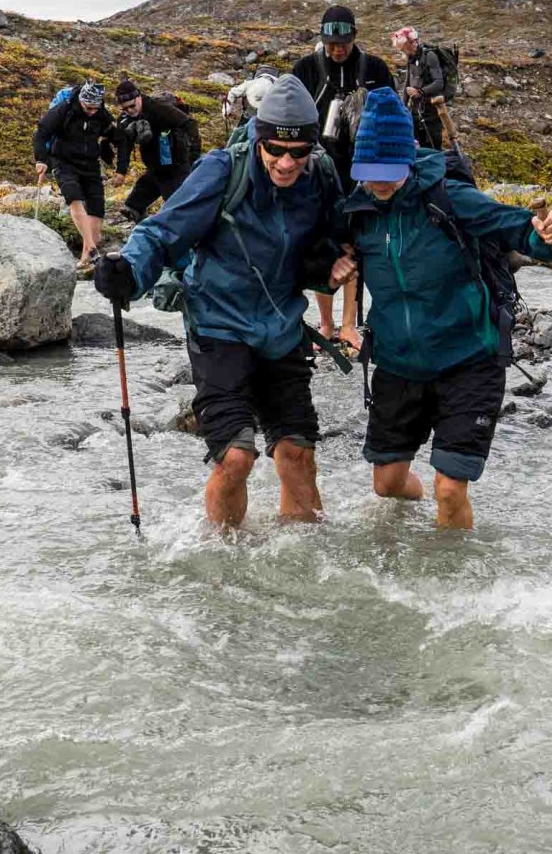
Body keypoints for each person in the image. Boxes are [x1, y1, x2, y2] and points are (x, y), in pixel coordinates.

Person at [92, 75, 343, 533]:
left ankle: (306, 559)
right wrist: (127, 271)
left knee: (297, 452)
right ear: (259, 137)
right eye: (275, 150)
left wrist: (338, 261)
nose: (287, 162)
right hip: (218, 326)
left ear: (312, 146)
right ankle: (222, 558)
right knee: (236, 456)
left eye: (298, 152)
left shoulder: (320, 177)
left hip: (281, 327)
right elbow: (163, 232)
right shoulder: (223, 170)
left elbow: (342, 233)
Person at [328, 89, 552, 531]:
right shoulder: (357, 211)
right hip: (399, 365)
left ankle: (452, 582)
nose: (378, 183)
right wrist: (335, 268)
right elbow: (323, 257)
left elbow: (517, 228)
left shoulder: (449, 199)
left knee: (450, 488)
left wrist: (546, 234)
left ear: (408, 159)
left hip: (468, 361)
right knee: (386, 484)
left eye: (387, 172)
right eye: (369, 173)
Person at [290, 6, 392, 348]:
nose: (338, 49)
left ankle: (349, 325)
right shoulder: (306, 69)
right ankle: (326, 325)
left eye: (344, 43)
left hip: (362, 172)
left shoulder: (374, 68)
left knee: (352, 245)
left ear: (354, 37)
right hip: (317, 170)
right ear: (322, 39)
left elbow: (391, 112)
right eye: (332, 43)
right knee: (322, 245)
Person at [33, 81, 116, 265]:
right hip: (63, 160)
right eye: (89, 108)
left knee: (97, 204)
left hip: (89, 162)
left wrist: (108, 148)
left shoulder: (100, 112)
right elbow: (42, 132)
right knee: (74, 196)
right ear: (81, 101)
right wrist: (41, 159)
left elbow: (112, 132)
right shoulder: (64, 110)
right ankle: (92, 249)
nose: (92, 111)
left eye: (96, 108)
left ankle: (87, 256)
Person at [110, 80, 202, 225]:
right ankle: (146, 228)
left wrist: (194, 156)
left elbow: (189, 124)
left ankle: (190, 237)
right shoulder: (125, 120)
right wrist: (121, 171)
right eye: (124, 108)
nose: (130, 111)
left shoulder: (158, 109)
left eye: (132, 106)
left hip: (176, 165)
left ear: (139, 97)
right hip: (154, 167)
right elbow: (124, 146)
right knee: (132, 206)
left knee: (178, 210)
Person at [392, 26, 450, 151]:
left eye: (402, 48)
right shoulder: (411, 58)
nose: (402, 51)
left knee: (433, 146)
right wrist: (402, 107)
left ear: (409, 43)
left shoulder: (430, 56)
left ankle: (435, 166)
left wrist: (420, 92)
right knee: (416, 144)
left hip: (432, 110)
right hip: (416, 110)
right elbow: (408, 83)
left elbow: (439, 82)